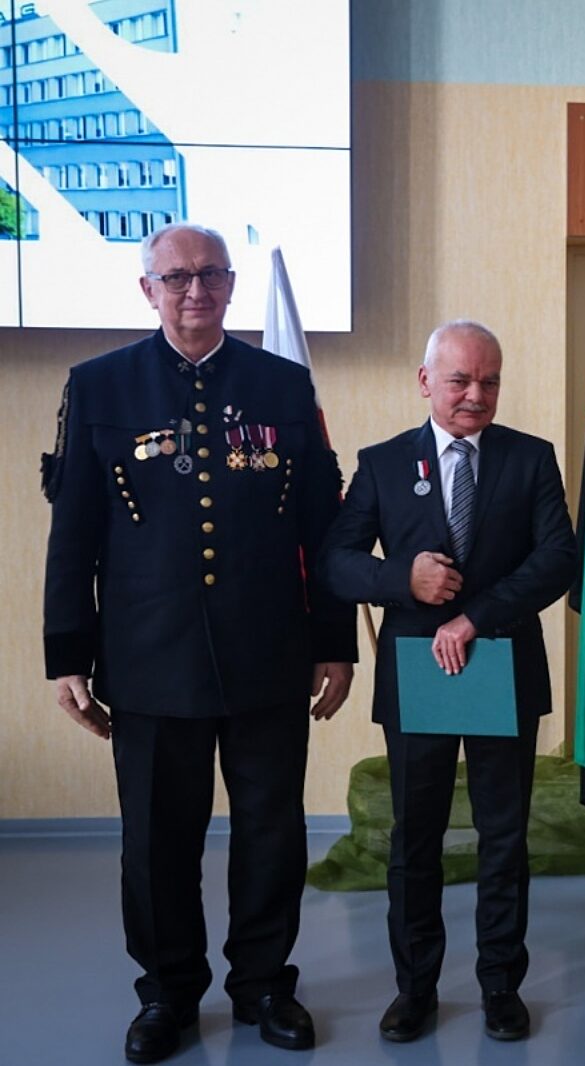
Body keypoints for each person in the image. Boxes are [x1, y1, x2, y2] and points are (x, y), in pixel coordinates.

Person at [42, 222, 356, 1064]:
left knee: (271, 832)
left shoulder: (283, 385)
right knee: (156, 842)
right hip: (150, 657)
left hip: (268, 654)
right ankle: (167, 993)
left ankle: (263, 984)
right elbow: (74, 536)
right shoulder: (100, 386)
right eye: (177, 277)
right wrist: (67, 655)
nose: (195, 290)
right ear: (148, 289)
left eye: (211, 274)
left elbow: (319, 528)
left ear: (231, 284)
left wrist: (335, 642)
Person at [318, 320, 576, 1043]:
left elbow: (559, 557)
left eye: (489, 381)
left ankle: (501, 985)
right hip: (417, 672)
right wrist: (403, 579)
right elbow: (338, 562)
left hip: (500, 663)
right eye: (460, 380)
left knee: (504, 836)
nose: (475, 395)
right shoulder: (382, 463)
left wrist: (476, 618)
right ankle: (415, 989)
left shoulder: (530, 458)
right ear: (425, 380)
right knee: (416, 837)